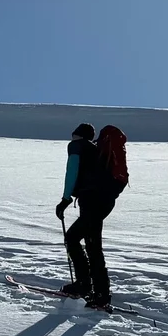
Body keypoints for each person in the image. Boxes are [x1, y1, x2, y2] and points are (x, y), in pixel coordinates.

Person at [55, 123, 120, 311]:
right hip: (103, 201)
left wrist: (65, 200)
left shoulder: (77, 147)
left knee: (79, 241)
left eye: (73, 135)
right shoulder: (95, 150)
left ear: (78, 136)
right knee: (89, 243)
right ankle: (91, 288)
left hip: (92, 201)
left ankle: (95, 291)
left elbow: (71, 173)